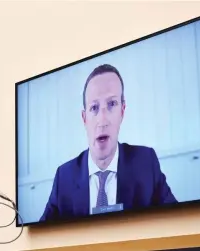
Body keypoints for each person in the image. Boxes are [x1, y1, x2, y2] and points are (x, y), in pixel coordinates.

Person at [39, 64, 177, 222]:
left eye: (111, 104)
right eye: (94, 108)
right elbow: (41, 237)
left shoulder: (146, 163)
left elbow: (175, 222)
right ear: (84, 119)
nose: (102, 120)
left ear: (122, 112)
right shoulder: (64, 177)